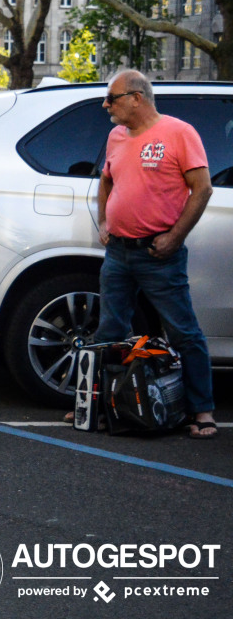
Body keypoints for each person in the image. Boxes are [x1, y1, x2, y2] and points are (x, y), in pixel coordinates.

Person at [92, 69, 216, 439]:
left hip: (157, 252)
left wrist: (175, 238)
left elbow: (203, 188)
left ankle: (202, 411)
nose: (106, 105)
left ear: (136, 98)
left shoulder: (178, 133)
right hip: (118, 252)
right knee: (110, 331)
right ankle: (100, 408)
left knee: (183, 332)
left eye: (111, 98)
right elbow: (106, 181)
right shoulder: (116, 135)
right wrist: (103, 221)